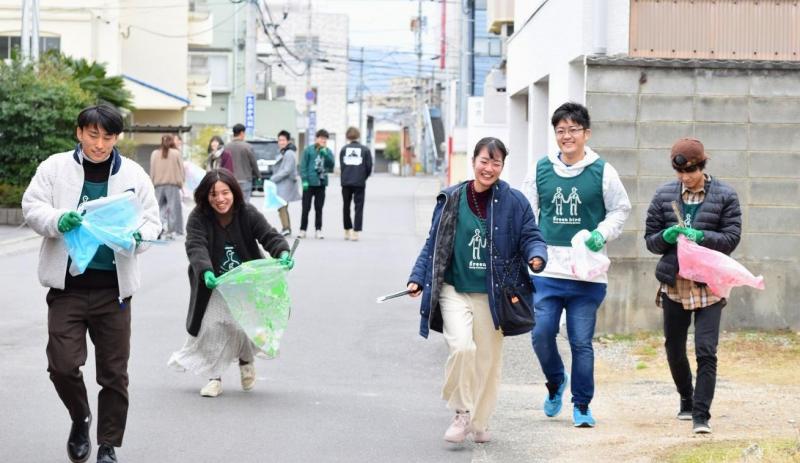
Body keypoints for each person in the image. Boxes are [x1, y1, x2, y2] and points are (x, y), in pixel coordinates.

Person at [21, 104, 161, 463]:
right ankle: (80, 417)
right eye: (93, 135)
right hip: (67, 287)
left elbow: (152, 223)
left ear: (117, 138)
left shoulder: (133, 173)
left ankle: (108, 445)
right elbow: (32, 206)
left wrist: (136, 237)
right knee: (62, 366)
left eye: (108, 137)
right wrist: (57, 219)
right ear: (79, 132)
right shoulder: (54, 168)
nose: (100, 144)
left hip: (113, 291)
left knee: (114, 373)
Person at [407, 137, 548, 444]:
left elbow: (531, 236)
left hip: (493, 294)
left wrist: (537, 255)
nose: (489, 168)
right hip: (454, 289)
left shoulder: (515, 201)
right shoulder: (452, 198)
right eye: (484, 161)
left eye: (496, 163)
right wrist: (418, 276)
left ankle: (480, 421)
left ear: (502, 166)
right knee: (462, 348)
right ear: (473, 162)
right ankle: (461, 412)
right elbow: (433, 243)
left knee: (488, 362)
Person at [521, 102, 631, 428]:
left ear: (586, 133)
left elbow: (620, 210)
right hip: (547, 271)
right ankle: (556, 381)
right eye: (560, 131)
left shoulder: (603, 171)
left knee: (581, 340)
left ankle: (581, 404)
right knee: (541, 334)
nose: (566, 136)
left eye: (573, 130)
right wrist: (529, 250)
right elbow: (527, 215)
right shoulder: (540, 169)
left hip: (587, 274)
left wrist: (601, 234)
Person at [168, 168, 295, 397]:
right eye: (213, 194)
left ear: (234, 192)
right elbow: (196, 246)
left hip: (246, 281)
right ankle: (214, 377)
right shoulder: (198, 217)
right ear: (206, 196)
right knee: (213, 326)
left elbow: (269, 235)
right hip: (215, 283)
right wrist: (205, 270)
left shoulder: (247, 212)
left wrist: (282, 252)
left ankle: (246, 360)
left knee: (243, 325)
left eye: (225, 192)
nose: (220, 199)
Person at [644, 138, 741, 434]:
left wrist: (701, 237)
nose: (686, 177)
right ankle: (686, 397)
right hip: (675, 284)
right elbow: (650, 240)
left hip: (709, 285)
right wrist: (667, 237)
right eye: (680, 173)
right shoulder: (664, 195)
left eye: (691, 171)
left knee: (706, 350)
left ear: (703, 165)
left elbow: (731, 238)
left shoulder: (725, 196)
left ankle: (702, 415)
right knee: (674, 347)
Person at [298, 129, 335, 239]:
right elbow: (303, 166)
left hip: (321, 183)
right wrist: (304, 180)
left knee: (319, 208)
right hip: (308, 184)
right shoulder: (308, 150)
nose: (323, 140)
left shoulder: (328, 151)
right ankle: (302, 229)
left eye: (325, 139)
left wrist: (326, 155)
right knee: (306, 208)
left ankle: (318, 229)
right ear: (316, 139)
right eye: (321, 138)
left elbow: (331, 166)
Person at [339, 126, 372, 241]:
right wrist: (363, 177)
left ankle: (347, 230)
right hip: (359, 182)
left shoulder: (344, 150)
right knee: (359, 207)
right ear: (358, 135)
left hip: (346, 181)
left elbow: (342, 166)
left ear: (348, 136)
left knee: (346, 206)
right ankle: (356, 232)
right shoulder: (365, 150)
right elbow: (369, 167)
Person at [150, 134, 186, 239]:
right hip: (172, 185)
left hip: (158, 185)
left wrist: (152, 183)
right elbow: (181, 170)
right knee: (173, 208)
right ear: (172, 142)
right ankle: (171, 232)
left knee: (158, 209)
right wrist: (181, 182)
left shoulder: (155, 153)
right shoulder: (176, 153)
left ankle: (158, 229)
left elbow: (152, 170)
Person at [271, 130, 301, 236]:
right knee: (282, 206)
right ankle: (286, 228)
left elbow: (287, 170)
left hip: (286, 184)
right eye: (279, 140)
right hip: (283, 184)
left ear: (288, 141)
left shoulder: (289, 153)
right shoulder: (285, 152)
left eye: (283, 140)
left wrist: (273, 178)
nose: (281, 142)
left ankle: (286, 228)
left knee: (281, 206)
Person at [226, 123, 259, 201]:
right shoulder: (248, 147)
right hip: (245, 179)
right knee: (245, 203)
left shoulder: (226, 147)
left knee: (233, 202)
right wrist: (258, 176)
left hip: (231, 180)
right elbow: (254, 164)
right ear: (242, 133)